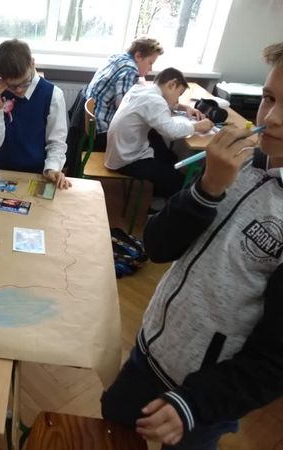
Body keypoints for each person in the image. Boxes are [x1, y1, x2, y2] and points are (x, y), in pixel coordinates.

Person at [101, 42, 283, 449]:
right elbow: (157, 245)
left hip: (205, 395)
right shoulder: (239, 164)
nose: (271, 118)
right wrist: (207, 188)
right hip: (150, 349)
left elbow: (275, 360)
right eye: (269, 98)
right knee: (111, 425)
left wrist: (195, 404)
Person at [105, 67, 213, 199]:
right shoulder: (155, 101)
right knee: (178, 182)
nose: (177, 100)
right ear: (172, 84)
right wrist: (197, 126)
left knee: (169, 157)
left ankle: (155, 190)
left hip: (120, 151)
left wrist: (184, 107)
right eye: (178, 94)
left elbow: (163, 104)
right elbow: (171, 131)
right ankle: (155, 201)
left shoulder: (140, 89)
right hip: (127, 160)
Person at [0, 39, 71, 189]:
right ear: (0, 76)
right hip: (4, 169)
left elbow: (57, 142)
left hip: (39, 172)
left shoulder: (52, 95)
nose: (18, 90)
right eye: (11, 86)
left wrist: (52, 168)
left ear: (32, 63)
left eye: (24, 82)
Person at [85, 37, 168, 150]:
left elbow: (134, 83)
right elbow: (124, 108)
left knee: (152, 134)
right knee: (152, 133)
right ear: (138, 56)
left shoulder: (118, 57)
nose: (151, 69)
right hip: (104, 133)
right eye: (150, 63)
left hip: (96, 124)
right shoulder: (129, 70)